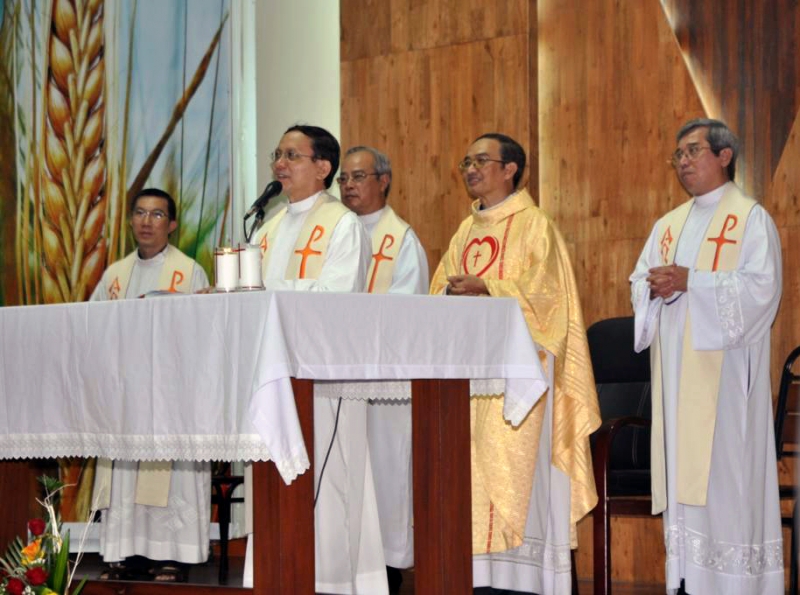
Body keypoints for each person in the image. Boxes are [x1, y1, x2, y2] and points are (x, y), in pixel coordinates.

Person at [430, 133, 600, 594]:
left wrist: (489, 287)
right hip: (467, 381)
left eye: (481, 161)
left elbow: (550, 300)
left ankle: (524, 581)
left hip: (521, 383)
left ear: (510, 169)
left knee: (514, 474)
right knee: (468, 476)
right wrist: (451, 292)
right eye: (466, 162)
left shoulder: (536, 225)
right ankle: (476, 578)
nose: (470, 169)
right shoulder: (464, 232)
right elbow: (438, 290)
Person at [630, 119, 783, 595]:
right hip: (678, 378)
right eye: (678, 154)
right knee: (684, 474)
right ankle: (686, 579)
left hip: (728, 383)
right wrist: (653, 288)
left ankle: (734, 584)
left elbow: (762, 290)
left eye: (693, 151)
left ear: (724, 156)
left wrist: (691, 281)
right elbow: (639, 279)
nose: (683, 161)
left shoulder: (750, 219)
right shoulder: (667, 225)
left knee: (726, 479)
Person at [251, 125, 388, 594]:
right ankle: (276, 574)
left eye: (292, 155)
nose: (280, 164)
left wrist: (267, 292)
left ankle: (332, 580)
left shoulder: (342, 224)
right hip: (275, 376)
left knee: (329, 482)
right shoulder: (267, 229)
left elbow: (338, 296)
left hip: (324, 380)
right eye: (278, 154)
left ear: (323, 167)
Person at [90, 188, 210, 582]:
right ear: (130, 220)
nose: (146, 221)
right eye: (140, 213)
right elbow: (93, 327)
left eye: (157, 215)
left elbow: (203, 333)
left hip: (171, 395)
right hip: (125, 393)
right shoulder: (115, 275)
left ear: (172, 224)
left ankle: (174, 554)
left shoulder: (188, 272)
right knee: (126, 474)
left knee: (170, 477)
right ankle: (127, 552)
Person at [338, 145, 429, 593]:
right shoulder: (335, 234)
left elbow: (408, 311)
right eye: (343, 179)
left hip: (383, 384)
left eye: (358, 177)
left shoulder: (401, 240)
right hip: (337, 379)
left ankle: (388, 575)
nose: (348, 186)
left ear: (384, 181)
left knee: (384, 475)